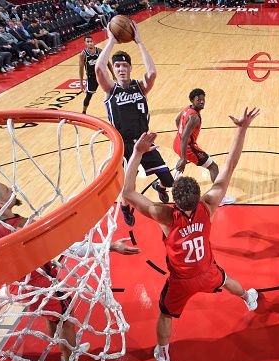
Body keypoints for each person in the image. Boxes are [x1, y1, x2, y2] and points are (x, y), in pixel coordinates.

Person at [122, 107, 261, 361]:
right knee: (225, 279)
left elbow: (128, 192)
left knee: (165, 315)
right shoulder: (207, 205)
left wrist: (138, 152)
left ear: (175, 199)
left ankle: (163, 353)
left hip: (181, 281)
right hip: (206, 271)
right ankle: (247, 298)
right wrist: (241, 129)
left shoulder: (164, 214)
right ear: (197, 197)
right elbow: (230, 166)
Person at [0, 181, 140, 361]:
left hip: (19, 284)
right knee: (67, 320)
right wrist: (110, 246)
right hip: (41, 284)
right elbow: (67, 246)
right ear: (0, 205)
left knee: (52, 317)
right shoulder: (22, 230)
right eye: (6, 190)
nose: (12, 188)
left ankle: (64, 349)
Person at [95, 21, 174, 227]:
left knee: (169, 180)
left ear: (130, 68)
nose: (121, 69)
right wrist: (111, 41)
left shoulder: (140, 88)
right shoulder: (110, 89)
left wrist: (139, 42)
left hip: (143, 142)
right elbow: (98, 68)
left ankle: (160, 186)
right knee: (125, 186)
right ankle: (124, 207)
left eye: (125, 65)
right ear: (115, 70)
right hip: (122, 145)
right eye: (118, 66)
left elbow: (153, 73)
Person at [173, 88, 236, 206]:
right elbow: (186, 137)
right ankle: (220, 199)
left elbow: (177, 120)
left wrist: (180, 133)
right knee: (213, 167)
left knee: (185, 157)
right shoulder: (194, 117)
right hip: (187, 147)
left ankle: (177, 173)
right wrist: (183, 157)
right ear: (192, 100)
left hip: (176, 142)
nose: (202, 102)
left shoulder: (187, 108)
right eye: (198, 100)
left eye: (203, 99)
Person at [79, 35, 113, 114]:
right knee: (88, 96)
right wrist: (81, 83)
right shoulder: (83, 54)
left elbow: (108, 63)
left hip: (101, 75)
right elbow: (81, 69)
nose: (90, 43)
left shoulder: (99, 51)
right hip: (91, 77)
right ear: (85, 43)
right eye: (88, 42)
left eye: (91, 41)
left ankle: (115, 107)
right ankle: (84, 112)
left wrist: (113, 74)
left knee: (111, 90)